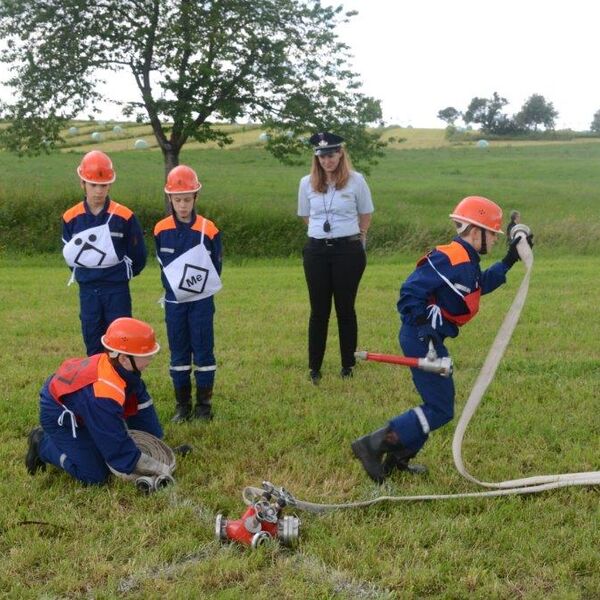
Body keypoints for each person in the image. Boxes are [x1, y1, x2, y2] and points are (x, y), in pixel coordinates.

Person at [351, 196, 533, 483]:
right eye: (493, 235)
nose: (495, 241)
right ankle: (374, 444)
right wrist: (423, 328)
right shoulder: (451, 256)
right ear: (476, 231)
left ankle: (398, 459)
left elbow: (477, 286)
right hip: (420, 337)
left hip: (431, 338)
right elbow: (410, 290)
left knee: (437, 403)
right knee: (440, 407)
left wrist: (510, 259)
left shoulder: (467, 260)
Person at [25, 318, 170, 485]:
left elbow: (142, 407)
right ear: (124, 358)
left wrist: (157, 445)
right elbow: (114, 445)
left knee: (100, 445)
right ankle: (42, 442)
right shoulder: (102, 394)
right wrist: (144, 464)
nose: (150, 359)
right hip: (57, 414)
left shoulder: (122, 369)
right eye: (146, 355)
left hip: (82, 405)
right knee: (96, 475)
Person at [297, 132, 374, 384]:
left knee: (345, 308)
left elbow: (365, 213)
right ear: (316, 158)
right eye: (322, 156)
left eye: (331, 155)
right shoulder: (306, 183)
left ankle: (347, 364)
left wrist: (357, 236)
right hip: (317, 251)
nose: (327, 161)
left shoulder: (356, 181)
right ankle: (314, 367)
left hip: (347, 251)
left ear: (340, 154)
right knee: (318, 310)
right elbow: (307, 216)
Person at [154, 165, 223, 422]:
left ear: (196, 197)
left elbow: (216, 266)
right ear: (170, 198)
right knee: (179, 352)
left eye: (187, 199)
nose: (182, 205)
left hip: (202, 303)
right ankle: (182, 405)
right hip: (174, 303)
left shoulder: (209, 229)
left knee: (204, 351)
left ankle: (203, 406)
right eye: (177, 199)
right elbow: (161, 264)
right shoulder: (160, 230)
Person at [62, 150, 147, 355]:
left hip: (116, 289)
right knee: (92, 338)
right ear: (82, 184)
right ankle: (98, 384)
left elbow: (139, 255)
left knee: (120, 340)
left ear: (110, 185)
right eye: (93, 185)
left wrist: (118, 275)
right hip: (88, 290)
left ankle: (123, 384)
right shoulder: (71, 217)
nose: (98, 191)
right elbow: (69, 254)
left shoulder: (124, 216)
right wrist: (89, 274)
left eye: (103, 185)